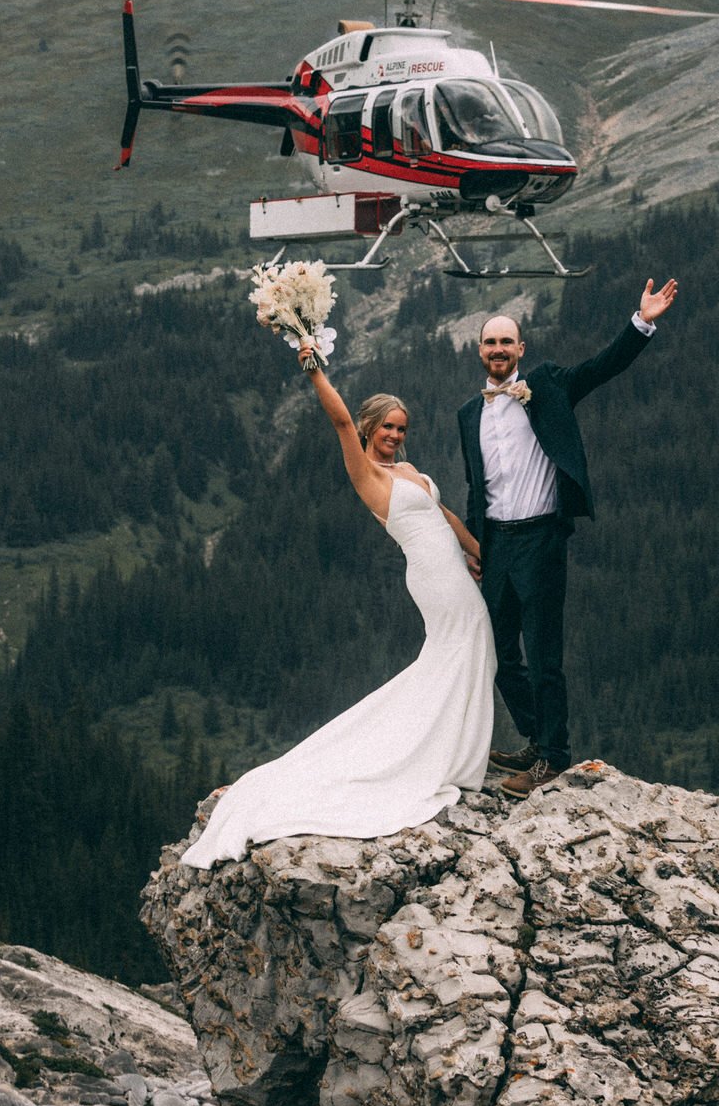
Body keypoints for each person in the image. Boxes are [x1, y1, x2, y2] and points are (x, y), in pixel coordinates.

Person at [180, 355, 495, 868]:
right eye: (387, 426)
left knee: (469, 648)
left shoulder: (409, 470)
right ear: (370, 427)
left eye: (401, 427)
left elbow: (445, 514)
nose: (395, 434)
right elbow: (341, 421)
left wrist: (478, 552)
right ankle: (439, 756)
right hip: (432, 579)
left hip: (453, 570)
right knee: (463, 646)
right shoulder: (367, 472)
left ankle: (450, 750)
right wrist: (314, 372)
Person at [457, 278, 678, 800]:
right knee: (499, 653)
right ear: (479, 351)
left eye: (507, 342)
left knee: (544, 650)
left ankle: (553, 758)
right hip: (498, 545)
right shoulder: (470, 414)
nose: (498, 350)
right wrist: (476, 547)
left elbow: (602, 368)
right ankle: (538, 738)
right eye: (490, 343)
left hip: (541, 539)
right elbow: (476, 486)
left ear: (521, 350)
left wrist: (641, 322)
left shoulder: (549, 385)